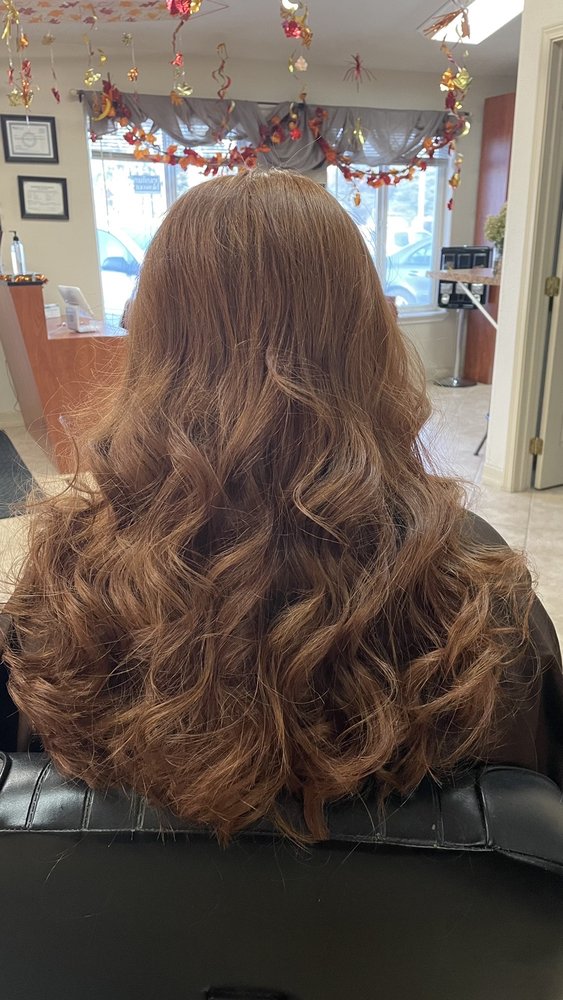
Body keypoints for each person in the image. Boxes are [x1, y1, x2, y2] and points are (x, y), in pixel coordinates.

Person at [1, 170, 562, 842]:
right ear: (368, 337)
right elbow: (532, 833)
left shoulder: (63, 581)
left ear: (150, 340)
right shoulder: (480, 593)